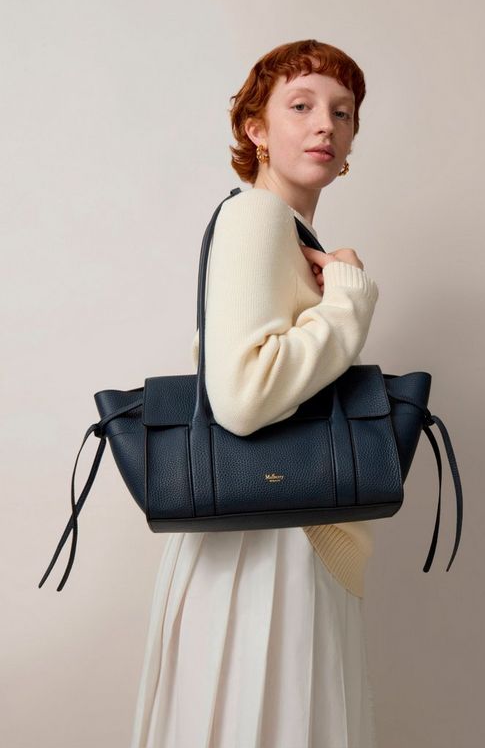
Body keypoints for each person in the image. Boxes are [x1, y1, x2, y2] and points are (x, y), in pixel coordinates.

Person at [129, 39, 380, 748]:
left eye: (342, 112)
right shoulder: (256, 217)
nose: (325, 124)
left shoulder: (290, 230)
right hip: (266, 553)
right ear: (256, 129)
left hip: (275, 535)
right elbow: (241, 397)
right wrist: (348, 298)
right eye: (300, 106)